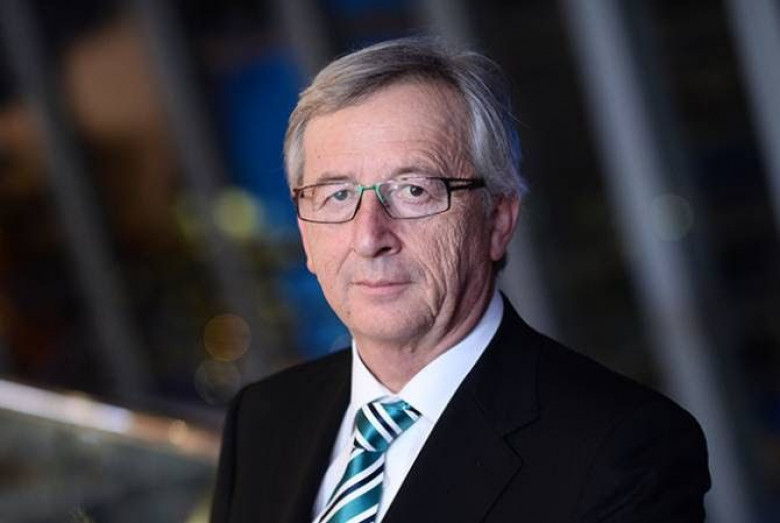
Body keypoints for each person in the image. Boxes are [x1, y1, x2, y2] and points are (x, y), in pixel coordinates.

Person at [210, 37, 710, 523]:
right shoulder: (263, 418)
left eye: (413, 190)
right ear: (305, 232)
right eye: (337, 195)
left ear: (498, 220)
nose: (369, 238)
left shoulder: (621, 451)